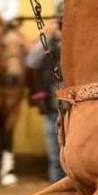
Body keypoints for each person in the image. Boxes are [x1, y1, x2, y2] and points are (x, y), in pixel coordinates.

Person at [27, 19, 66, 183]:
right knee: (55, 155)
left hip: (78, 109)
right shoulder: (50, 44)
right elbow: (31, 61)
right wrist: (49, 36)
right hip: (53, 109)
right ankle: (58, 189)